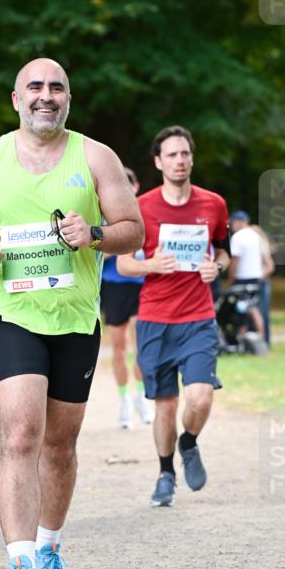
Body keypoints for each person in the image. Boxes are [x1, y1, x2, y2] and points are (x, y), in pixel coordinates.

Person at [0, 57, 144, 569]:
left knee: (60, 444)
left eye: (57, 87)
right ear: (16, 99)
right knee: (21, 436)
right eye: (34, 86)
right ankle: (21, 563)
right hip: (12, 313)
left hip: (76, 317)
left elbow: (133, 231)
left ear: (68, 99)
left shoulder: (96, 157)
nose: (45, 95)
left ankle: (50, 548)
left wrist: (94, 233)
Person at [116, 126, 230, 508]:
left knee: (199, 399)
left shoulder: (214, 204)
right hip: (155, 318)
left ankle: (189, 442)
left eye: (184, 154)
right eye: (171, 155)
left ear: (192, 159)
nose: (179, 161)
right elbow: (124, 263)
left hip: (198, 317)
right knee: (165, 405)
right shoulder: (141, 207)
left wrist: (217, 267)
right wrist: (150, 264)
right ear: (158, 162)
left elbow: (223, 251)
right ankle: (165, 474)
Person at [101, 167, 153, 428]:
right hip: (114, 286)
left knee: (140, 343)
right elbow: (96, 252)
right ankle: (123, 401)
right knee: (119, 346)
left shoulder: (147, 213)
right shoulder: (105, 215)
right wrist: (116, 243)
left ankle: (140, 397)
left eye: (128, 185)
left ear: (136, 186)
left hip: (142, 285)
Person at [228, 211, 265, 340]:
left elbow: (235, 261)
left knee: (242, 308)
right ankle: (261, 336)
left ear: (239, 222)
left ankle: (241, 337)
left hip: (242, 278)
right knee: (253, 307)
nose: (231, 225)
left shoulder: (237, 237)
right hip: (256, 277)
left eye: (232, 222)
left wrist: (231, 278)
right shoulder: (256, 236)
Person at [251, 223, 275, 347]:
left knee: (262, 313)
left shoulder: (261, 248)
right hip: (260, 283)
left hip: (261, 283)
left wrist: (258, 277)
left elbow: (270, 267)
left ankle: (265, 341)